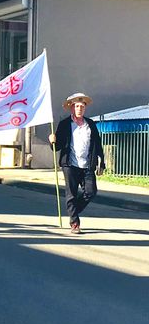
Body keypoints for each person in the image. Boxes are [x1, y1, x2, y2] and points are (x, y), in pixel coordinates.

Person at [49, 92, 106, 234]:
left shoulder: (90, 125)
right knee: (71, 194)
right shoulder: (64, 124)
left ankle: (73, 210)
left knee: (91, 191)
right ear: (72, 108)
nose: (80, 109)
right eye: (77, 106)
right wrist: (52, 141)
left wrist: (101, 163)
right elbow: (59, 145)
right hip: (70, 164)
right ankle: (75, 222)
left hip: (87, 165)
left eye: (82, 106)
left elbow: (97, 145)